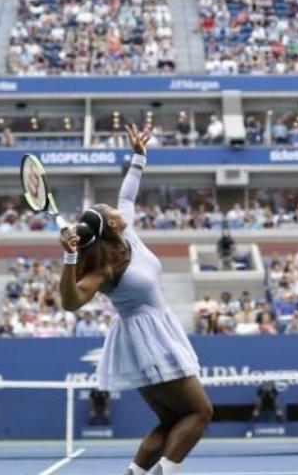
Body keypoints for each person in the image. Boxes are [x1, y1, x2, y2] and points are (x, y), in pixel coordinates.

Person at [60, 124, 210, 475]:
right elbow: (70, 302)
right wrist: (68, 260)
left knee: (171, 419)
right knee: (201, 413)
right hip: (146, 340)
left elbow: (128, 194)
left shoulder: (125, 229)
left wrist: (139, 157)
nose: (117, 210)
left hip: (154, 334)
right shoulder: (102, 270)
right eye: (110, 211)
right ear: (109, 226)